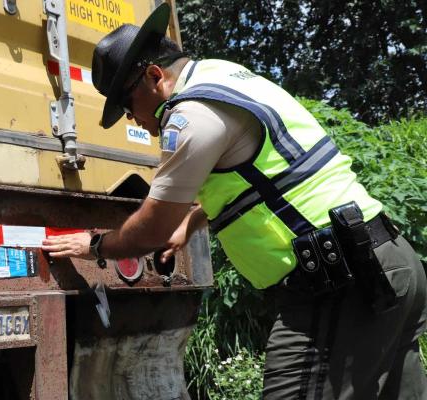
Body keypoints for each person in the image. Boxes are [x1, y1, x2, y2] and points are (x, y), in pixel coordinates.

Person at [42, 3, 427, 399]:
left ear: (154, 76)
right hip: (391, 264)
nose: (131, 118)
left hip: (337, 284)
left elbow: (151, 229)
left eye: (127, 103)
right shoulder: (224, 75)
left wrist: (94, 245)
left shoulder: (189, 117)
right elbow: (265, 176)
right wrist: (190, 223)